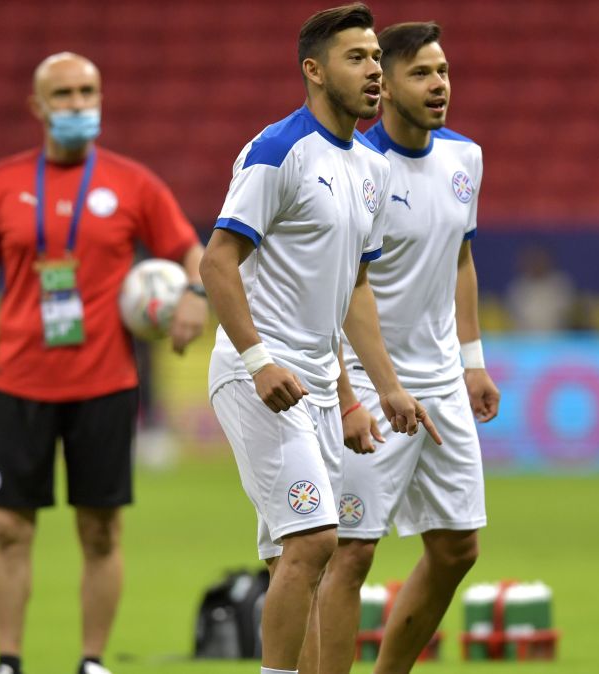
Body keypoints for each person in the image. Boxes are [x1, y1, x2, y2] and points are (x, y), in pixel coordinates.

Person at [199, 5, 440, 674]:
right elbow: (216, 263)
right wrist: (257, 360)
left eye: (375, 58)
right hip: (259, 375)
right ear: (313, 70)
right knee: (315, 540)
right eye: (357, 58)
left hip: (316, 382)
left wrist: (365, 393)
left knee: (297, 556)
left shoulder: (370, 167)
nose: (375, 72)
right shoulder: (279, 151)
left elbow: (348, 292)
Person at [0, 52, 207, 674]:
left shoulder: (132, 183)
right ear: (38, 107)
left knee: (100, 532)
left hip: (106, 384)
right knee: (10, 530)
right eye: (62, 94)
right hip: (19, 381)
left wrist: (196, 297)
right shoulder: (2, 183)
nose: (77, 103)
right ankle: (8, 662)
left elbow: (192, 250)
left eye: (87, 91)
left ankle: (91, 663)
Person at [316, 21, 500, 674]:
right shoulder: (354, 170)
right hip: (372, 381)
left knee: (457, 549)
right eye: (421, 73)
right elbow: (340, 290)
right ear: (383, 87)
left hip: (444, 380)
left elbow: (461, 261)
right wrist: (351, 392)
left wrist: (473, 363)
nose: (439, 84)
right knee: (350, 553)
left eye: (444, 71)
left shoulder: (466, 159)